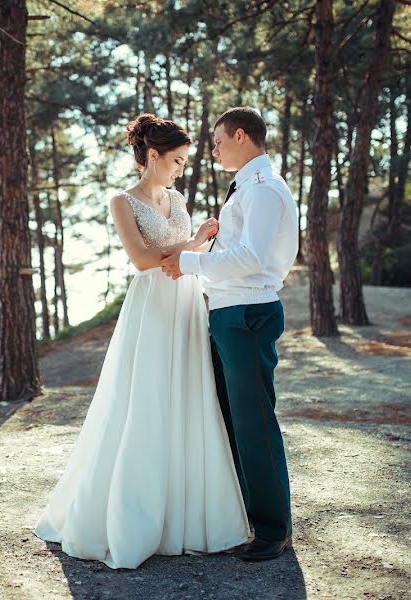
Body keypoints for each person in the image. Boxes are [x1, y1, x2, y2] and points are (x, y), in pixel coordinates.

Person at [33, 114, 249, 570]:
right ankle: (133, 517)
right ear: (153, 155)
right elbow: (141, 259)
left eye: (184, 161)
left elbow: (188, 257)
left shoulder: (178, 197)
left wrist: (208, 246)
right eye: (176, 160)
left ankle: (188, 517)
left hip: (187, 303)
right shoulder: (123, 201)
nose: (180, 169)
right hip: (152, 306)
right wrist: (194, 241)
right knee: (146, 399)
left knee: (191, 399)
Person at [161, 106, 299, 561]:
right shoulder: (247, 189)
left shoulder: (263, 191)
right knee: (233, 421)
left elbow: (252, 259)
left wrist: (190, 262)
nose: (214, 149)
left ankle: (273, 529)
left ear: (241, 135)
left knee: (254, 423)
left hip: (247, 316)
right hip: (228, 313)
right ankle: (251, 518)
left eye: (219, 141)